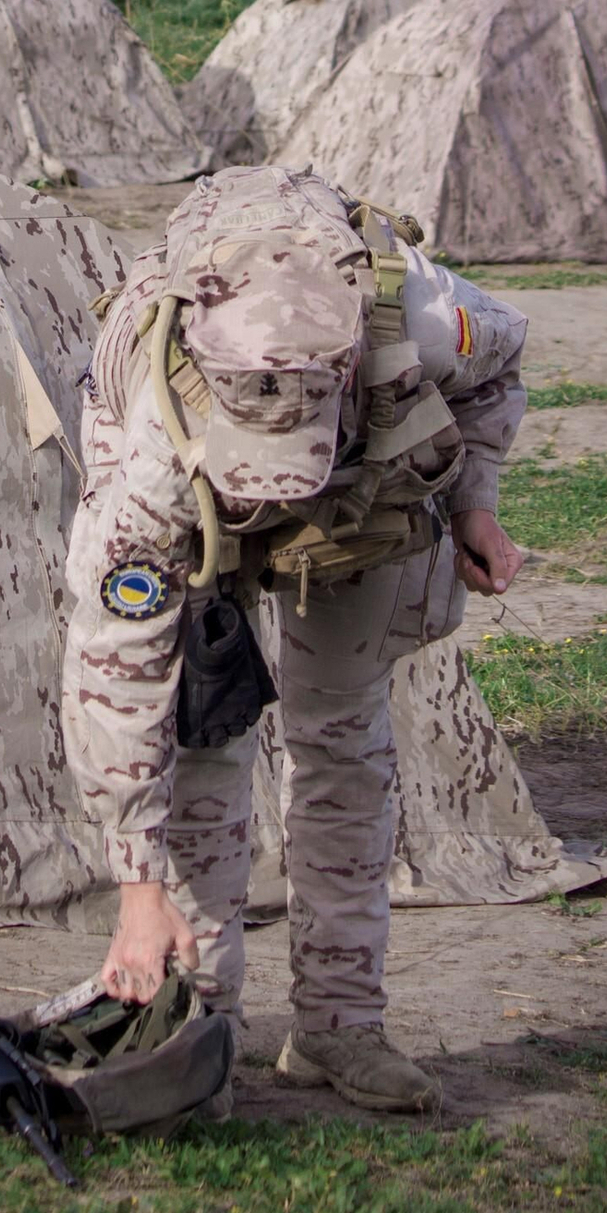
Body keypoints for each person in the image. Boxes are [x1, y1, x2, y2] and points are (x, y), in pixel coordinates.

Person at [61, 164, 528, 1116]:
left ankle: (340, 1026)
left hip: (363, 489)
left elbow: (500, 364)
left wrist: (474, 503)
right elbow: (115, 674)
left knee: (344, 744)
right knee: (203, 736)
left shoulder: (415, 320)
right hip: (195, 503)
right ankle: (199, 1031)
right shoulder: (149, 430)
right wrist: (138, 890)